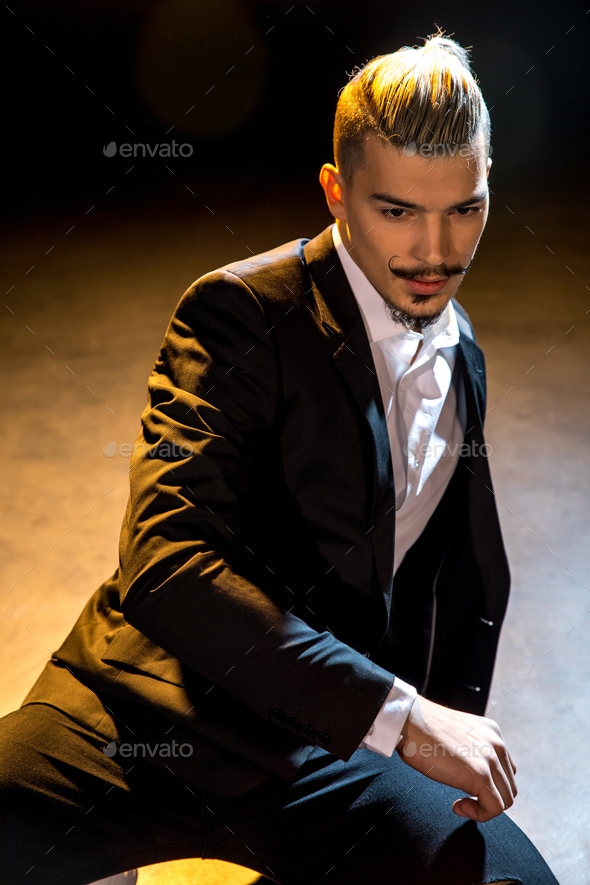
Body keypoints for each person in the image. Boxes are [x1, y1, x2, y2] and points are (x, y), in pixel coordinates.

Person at [0, 31, 558, 885]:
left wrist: (442, 738)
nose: (435, 253)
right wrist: (404, 716)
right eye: (397, 211)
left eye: (465, 208)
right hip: (151, 712)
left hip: (325, 745)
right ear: (337, 192)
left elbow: (470, 576)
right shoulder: (236, 313)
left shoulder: (463, 351)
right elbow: (168, 566)